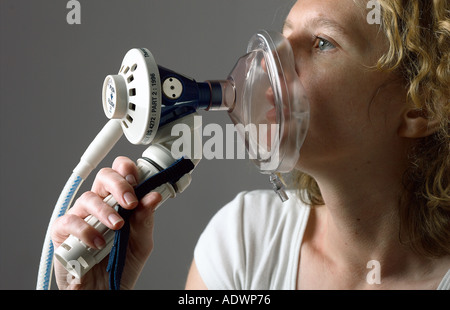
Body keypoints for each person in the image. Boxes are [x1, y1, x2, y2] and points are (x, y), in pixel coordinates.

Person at [51, 0, 450, 289]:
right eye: (284, 36)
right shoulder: (245, 241)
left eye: (323, 42)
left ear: (421, 106)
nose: (270, 61)